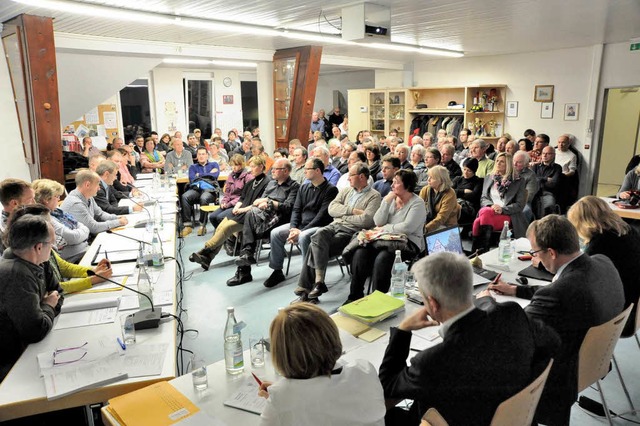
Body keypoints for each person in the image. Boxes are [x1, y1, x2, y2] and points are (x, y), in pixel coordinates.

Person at [379, 252, 558, 426]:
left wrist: (403, 330)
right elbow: (553, 342)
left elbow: (387, 386)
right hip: (516, 418)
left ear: (432, 304)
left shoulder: (432, 362)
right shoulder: (512, 313)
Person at [488, 215, 624, 425]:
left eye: (536, 253)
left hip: (556, 378)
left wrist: (486, 302)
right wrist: (516, 290)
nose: (537, 258)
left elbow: (514, 331)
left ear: (551, 252)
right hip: (594, 360)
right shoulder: (602, 262)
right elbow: (561, 289)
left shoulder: (559, 294)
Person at [258, 303, 385, 426]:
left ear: (281, 354)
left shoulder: (281, 399)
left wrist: (281, 397)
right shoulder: (365, 371)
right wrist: (284, 394)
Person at [293, 163, 381, 304]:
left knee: (313, 246)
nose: (348, 179)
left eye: (351, 175)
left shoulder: (374, 196)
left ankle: (307, 291)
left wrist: (342, 215)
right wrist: (352, 211)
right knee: (318, 234)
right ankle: (318, 283)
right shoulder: (346, 191)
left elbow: (366, 220)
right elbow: (331, 209)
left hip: (351, 232)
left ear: (362, 177)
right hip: (334, 226)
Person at [344, 170, 426, 304]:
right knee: (360, 252)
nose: (392, 185)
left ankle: (378, 299)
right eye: (392, 182)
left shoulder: (417, 203)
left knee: (384, 258)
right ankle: (355, 295)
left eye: (396, 182)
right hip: (383, 240)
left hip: (408, 242)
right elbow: (378, 221)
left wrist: (385, 228)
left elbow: (407, 228)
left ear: (407, 185)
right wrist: (386, 202)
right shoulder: (391, 199)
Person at [0, 213, 63, 381]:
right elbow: (35, 330)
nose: (54, 247)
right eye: (51, 243)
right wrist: (48, 305)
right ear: (38, 247)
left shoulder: (39, 262)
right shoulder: (15, 274)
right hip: (13, 364)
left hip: (30, 349)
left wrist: (46, 307)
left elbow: (58, 293)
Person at [568, 196, 640, 336]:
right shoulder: (627, 230)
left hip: (620, 316)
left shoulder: (600, 243)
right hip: (633, 308)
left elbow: (575, 276)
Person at [262, 158, 338, 288]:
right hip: (301, 226)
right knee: (275, 233)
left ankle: (307, 278)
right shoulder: (304, 187)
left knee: (303, 237)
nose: (304, 172)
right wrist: (293, 228)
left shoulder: (331, 190)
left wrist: (300, 231)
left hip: (320, 226)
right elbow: (296, 210)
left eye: (307, 169)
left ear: (318, 170)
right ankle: (277, 270)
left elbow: (322, 216)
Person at [188, 157, 270, 271]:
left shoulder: (267, 182)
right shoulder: (252, 181)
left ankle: (204, 250)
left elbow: (259, 204)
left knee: (226, 228)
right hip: (240, 210)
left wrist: (241, 209)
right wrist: (237, 206)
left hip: (251, 214)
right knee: (221, 226)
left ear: (261, 167)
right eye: (250, 166)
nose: (250, 170)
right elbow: (242, 198)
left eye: (253, 166)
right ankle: (207, 258)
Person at [230, 159, 300, 286]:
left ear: (285, 171)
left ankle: (245, 267)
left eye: (275, 169)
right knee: (250, 218)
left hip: (280, 219)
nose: (271, 171)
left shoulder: (294, 186)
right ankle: (246, 258)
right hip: (262, 217)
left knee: (249, 224)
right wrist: (265, 202)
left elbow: (288, 207)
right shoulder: (271, 184)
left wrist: (269, 202)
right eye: (272, 168)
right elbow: (259, 201)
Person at [472, 153, 526, 253]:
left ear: (509, 164)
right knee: (485, 211)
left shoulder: (518, 181)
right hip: (490, 211)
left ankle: (478, 253)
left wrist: (502, 209)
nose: (498, 163)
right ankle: (483, 251)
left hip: (508, 214)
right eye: (497, 161)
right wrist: (491, 206)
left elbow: (519, 205)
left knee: (478, 222)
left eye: (502, 162)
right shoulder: (489, 177)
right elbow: (484, 198)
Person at [32, 179, 90, 263]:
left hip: (81, 249)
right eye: (57, 196)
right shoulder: (44, 217)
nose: (59, 199)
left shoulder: (56, 210)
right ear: (46, 199)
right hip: (71, 258)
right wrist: (82, 238)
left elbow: (79, 225)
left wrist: (80, 234)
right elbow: (72, 237)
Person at [60, 170, 128, 235]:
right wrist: (118, 222)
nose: (99, 188)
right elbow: (93, 227)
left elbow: (100, 214)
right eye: (98, 184)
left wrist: (117, 218)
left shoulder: (89, 196)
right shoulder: (76, 204)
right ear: (87, 185)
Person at [180, 147, 220, 237]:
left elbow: (215, 175)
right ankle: (187, 225)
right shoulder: (193, 167)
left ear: (207, 155)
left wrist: (199, 175)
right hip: (196, 190)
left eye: (203, 154)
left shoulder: (214, 164)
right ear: (197, 156)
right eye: (199, 154)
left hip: (210, 190)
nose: (201, 156)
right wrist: (208, 174)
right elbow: (192, 179)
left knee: (204, 198)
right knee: (185, 196)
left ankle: (202, 225)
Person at [208, 155, 251, 230]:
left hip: (239, 204)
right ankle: (222, 236)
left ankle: (226, 238)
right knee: (212, 217)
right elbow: (227, 192)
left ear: (241, 165)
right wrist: (224, 202)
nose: (234, 167)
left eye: (236, 165)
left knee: (220, 217)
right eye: (232, 165)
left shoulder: (248, 177)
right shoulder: (231, 175)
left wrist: (229, 204)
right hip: (229, 203)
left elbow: (244, 196)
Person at [419, 165, 459, 234]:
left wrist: (426, 229)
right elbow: (418, 208)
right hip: (427, 222)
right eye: (428, 176)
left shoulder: (450, 194)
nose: (428, 179)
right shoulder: (426, 189)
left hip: (445, 225)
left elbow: (442, 217)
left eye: (432, 178)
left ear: (441, 180)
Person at [452, 158, 483, 225]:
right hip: (455, 204)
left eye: (469, 171)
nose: (465, 172)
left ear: (474, 171)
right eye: (464, 169)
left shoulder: (478, 181)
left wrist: (457, 193)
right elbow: (450, 192)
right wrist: (463, 191)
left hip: (469, 207)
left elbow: (473, 196)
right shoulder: (458, 179)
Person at [512, 150, 539, 222]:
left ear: (526, 164)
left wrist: (515, 201)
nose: (515, 164)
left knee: (525, 211)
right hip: (506, 200)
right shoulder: (508, 171)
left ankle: (522, 231)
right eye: (514, 161)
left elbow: (529, 195)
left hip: (522, 202)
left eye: (519, 162)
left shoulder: (530, 175)